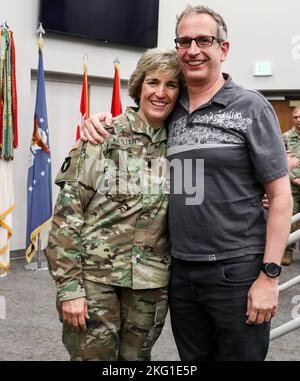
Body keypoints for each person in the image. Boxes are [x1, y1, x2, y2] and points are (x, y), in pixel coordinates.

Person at [82, 5, 293, 361]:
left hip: (236, 271)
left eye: (203, 40)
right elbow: (139, 121)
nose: (193, 49)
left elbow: (281, 197)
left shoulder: (251, 107)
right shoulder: (171, 108)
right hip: (180, 273)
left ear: (223, 49)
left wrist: (269, 278)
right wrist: (102, 121)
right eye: (184, 41)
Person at [45, 48, 182, 361]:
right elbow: (68, 217)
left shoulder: (181, 144)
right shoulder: (102, 136)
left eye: (171, 85)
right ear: (138, 87)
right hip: (95, 283)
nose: (161, 93)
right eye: (153, 82)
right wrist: (70, 289)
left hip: (150, 287)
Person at [282, 107, 300, 265]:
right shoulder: (285, 137)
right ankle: (287, 250)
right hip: (292, 188)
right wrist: (295, 178)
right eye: (296, 117)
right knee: (289, 221)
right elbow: (279, 161)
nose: (299, 120)